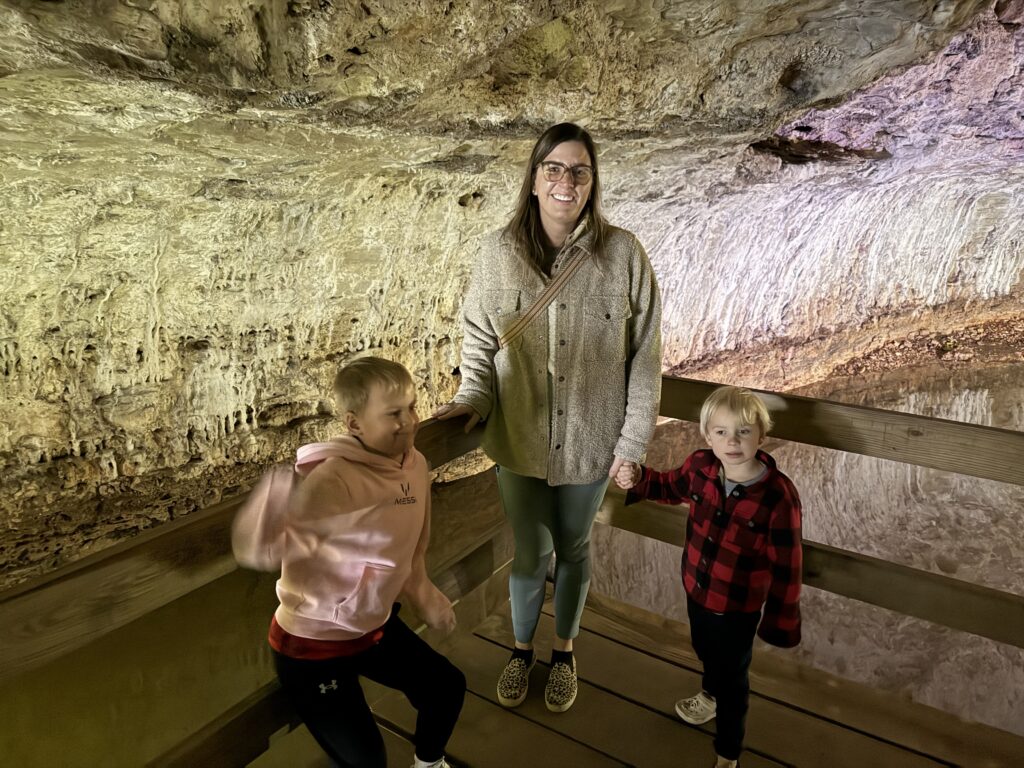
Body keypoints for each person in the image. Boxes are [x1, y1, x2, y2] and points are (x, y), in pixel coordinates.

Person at [435, 122, 662, 713]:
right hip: (521, 440)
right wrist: (474, 399)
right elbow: (480, 342)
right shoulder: (498, 254)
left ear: (592, 183)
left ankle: (562, 651)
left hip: (590, 442)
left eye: (579, 171)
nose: (566, 181)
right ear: (534, 180)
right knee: (531, 553)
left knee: (576, 548)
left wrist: (632, 442)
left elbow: (646, 357)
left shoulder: (624, 256)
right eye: (554, 169)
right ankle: (520, 650)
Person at [232, 357, 465, 768]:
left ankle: (429, 763)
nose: (409, 421)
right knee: (367, 760)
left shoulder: (416, 464)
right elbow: (269, 549)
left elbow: (414, 544)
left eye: (411, 407)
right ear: (354, 423)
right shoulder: (332, 480)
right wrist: (268, 516)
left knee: (446, 686)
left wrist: (423, 590)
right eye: (393, 413)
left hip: (372, 628)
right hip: (313, 645)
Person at [614, 385, 803, 768]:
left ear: (761, 436)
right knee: (704, 650)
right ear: (707, 436)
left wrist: (781, 620)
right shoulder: (701, 467)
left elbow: (788, 565)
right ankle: (709, 694)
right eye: (722, 432)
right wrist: (638, 477)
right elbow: (669, 487)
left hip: (738, 606)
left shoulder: (777, 496)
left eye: (744, 432)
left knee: (734, 677)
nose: (732, 442)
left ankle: (728, 752)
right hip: (698, 589)